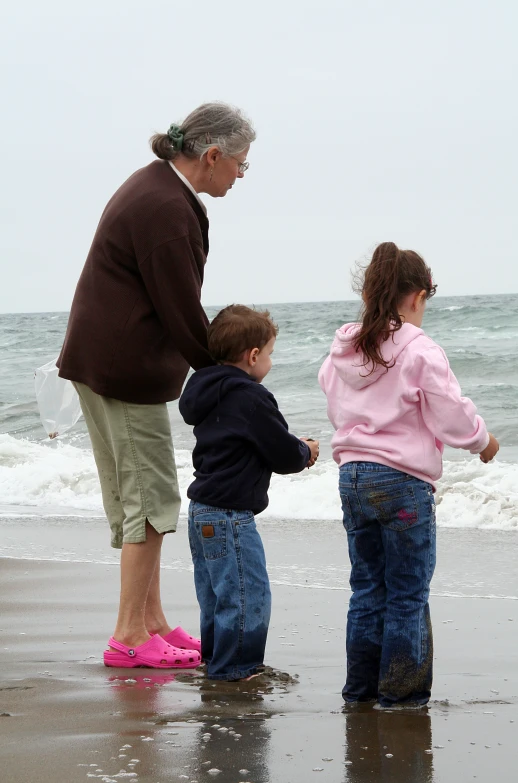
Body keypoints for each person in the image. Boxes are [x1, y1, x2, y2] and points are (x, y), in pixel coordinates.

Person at [57, 103, 256, 669]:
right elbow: (181, 310)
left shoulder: (155, 188)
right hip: (125, 370)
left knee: (132, 499)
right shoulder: (167, 207)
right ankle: (127, 638)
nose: (240, 175)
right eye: (240, 164)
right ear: (212, 155)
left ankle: (151, 622)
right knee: (148, 504)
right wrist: (226, 378)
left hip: (101, 362)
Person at [319, 242, 499, 708]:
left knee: (367, 588)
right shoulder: (420, 348)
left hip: (353, 474)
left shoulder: (343, 348)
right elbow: (451, 414)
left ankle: (360, 691)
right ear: (418, 296)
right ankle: (401, 695)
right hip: (401, 482)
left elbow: (334, 400)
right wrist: (483, 441)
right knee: (407, 593)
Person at [179, 305, 320, 680]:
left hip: (201, 511)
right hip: (229, 516)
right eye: (270, 352)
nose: (270, 360)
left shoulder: (202, 390)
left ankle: (217, 661)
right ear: (253, 355)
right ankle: (236, 670)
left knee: (215, 597)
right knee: (246, 594)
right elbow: (281, 452)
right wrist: (306, 450)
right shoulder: (252, 397)